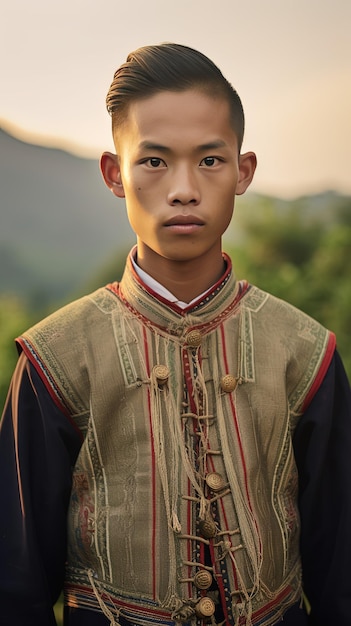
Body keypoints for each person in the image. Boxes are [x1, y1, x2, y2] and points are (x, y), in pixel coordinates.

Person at [0, 43, 350, 626]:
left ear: (244, 171)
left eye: (210, 160)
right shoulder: (54, 359)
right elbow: (15, 587)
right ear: (115, 173)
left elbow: (342, 575)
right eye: (155, 161)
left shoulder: (305, 351)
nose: (184, 188)